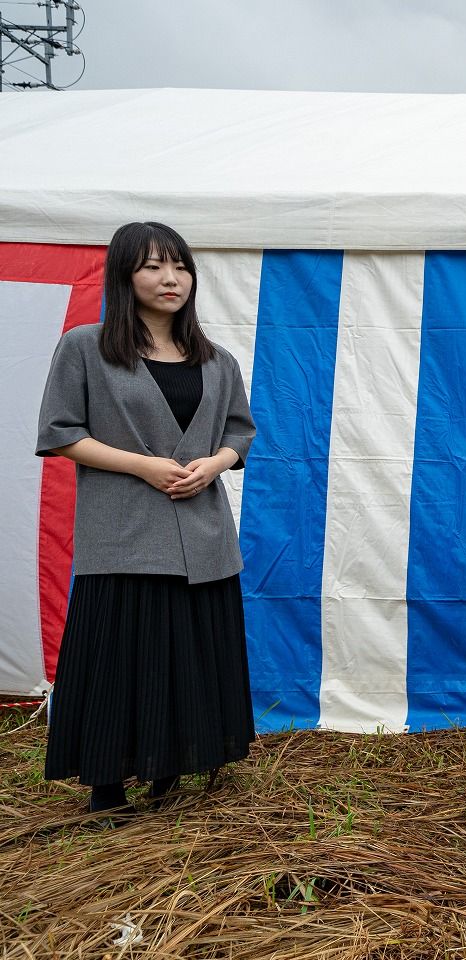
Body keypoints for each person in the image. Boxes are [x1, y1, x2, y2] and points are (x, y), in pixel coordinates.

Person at [36, 221, 257, 819]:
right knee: (118, 656)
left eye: (180, 266)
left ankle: (171, 770)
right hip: (123, 533)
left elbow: (240, 432)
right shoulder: (86, 347)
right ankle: (106, 786)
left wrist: (214, 464)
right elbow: (60, 433)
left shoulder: (217, 360)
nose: (170, 278)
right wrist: (143, 466)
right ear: (124, 275)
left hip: (203, 535)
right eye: (153, 266)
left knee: (187, 655)